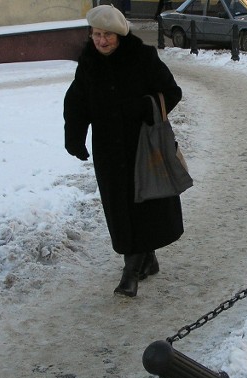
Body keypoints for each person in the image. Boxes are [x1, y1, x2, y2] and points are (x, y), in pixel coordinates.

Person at [63, 5, 184, 298]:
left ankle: (130, 272)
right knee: (119, 208)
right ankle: (148, 258)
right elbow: (77, 102)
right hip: (108, 150)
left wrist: (143, 108)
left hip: (141, 145)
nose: (101, 41)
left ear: (120, 35)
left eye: (107, 35)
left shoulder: (142, 58)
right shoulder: (89, 63)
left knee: (143, 204)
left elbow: (172, 92)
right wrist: (75, 138)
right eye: (96, 35)